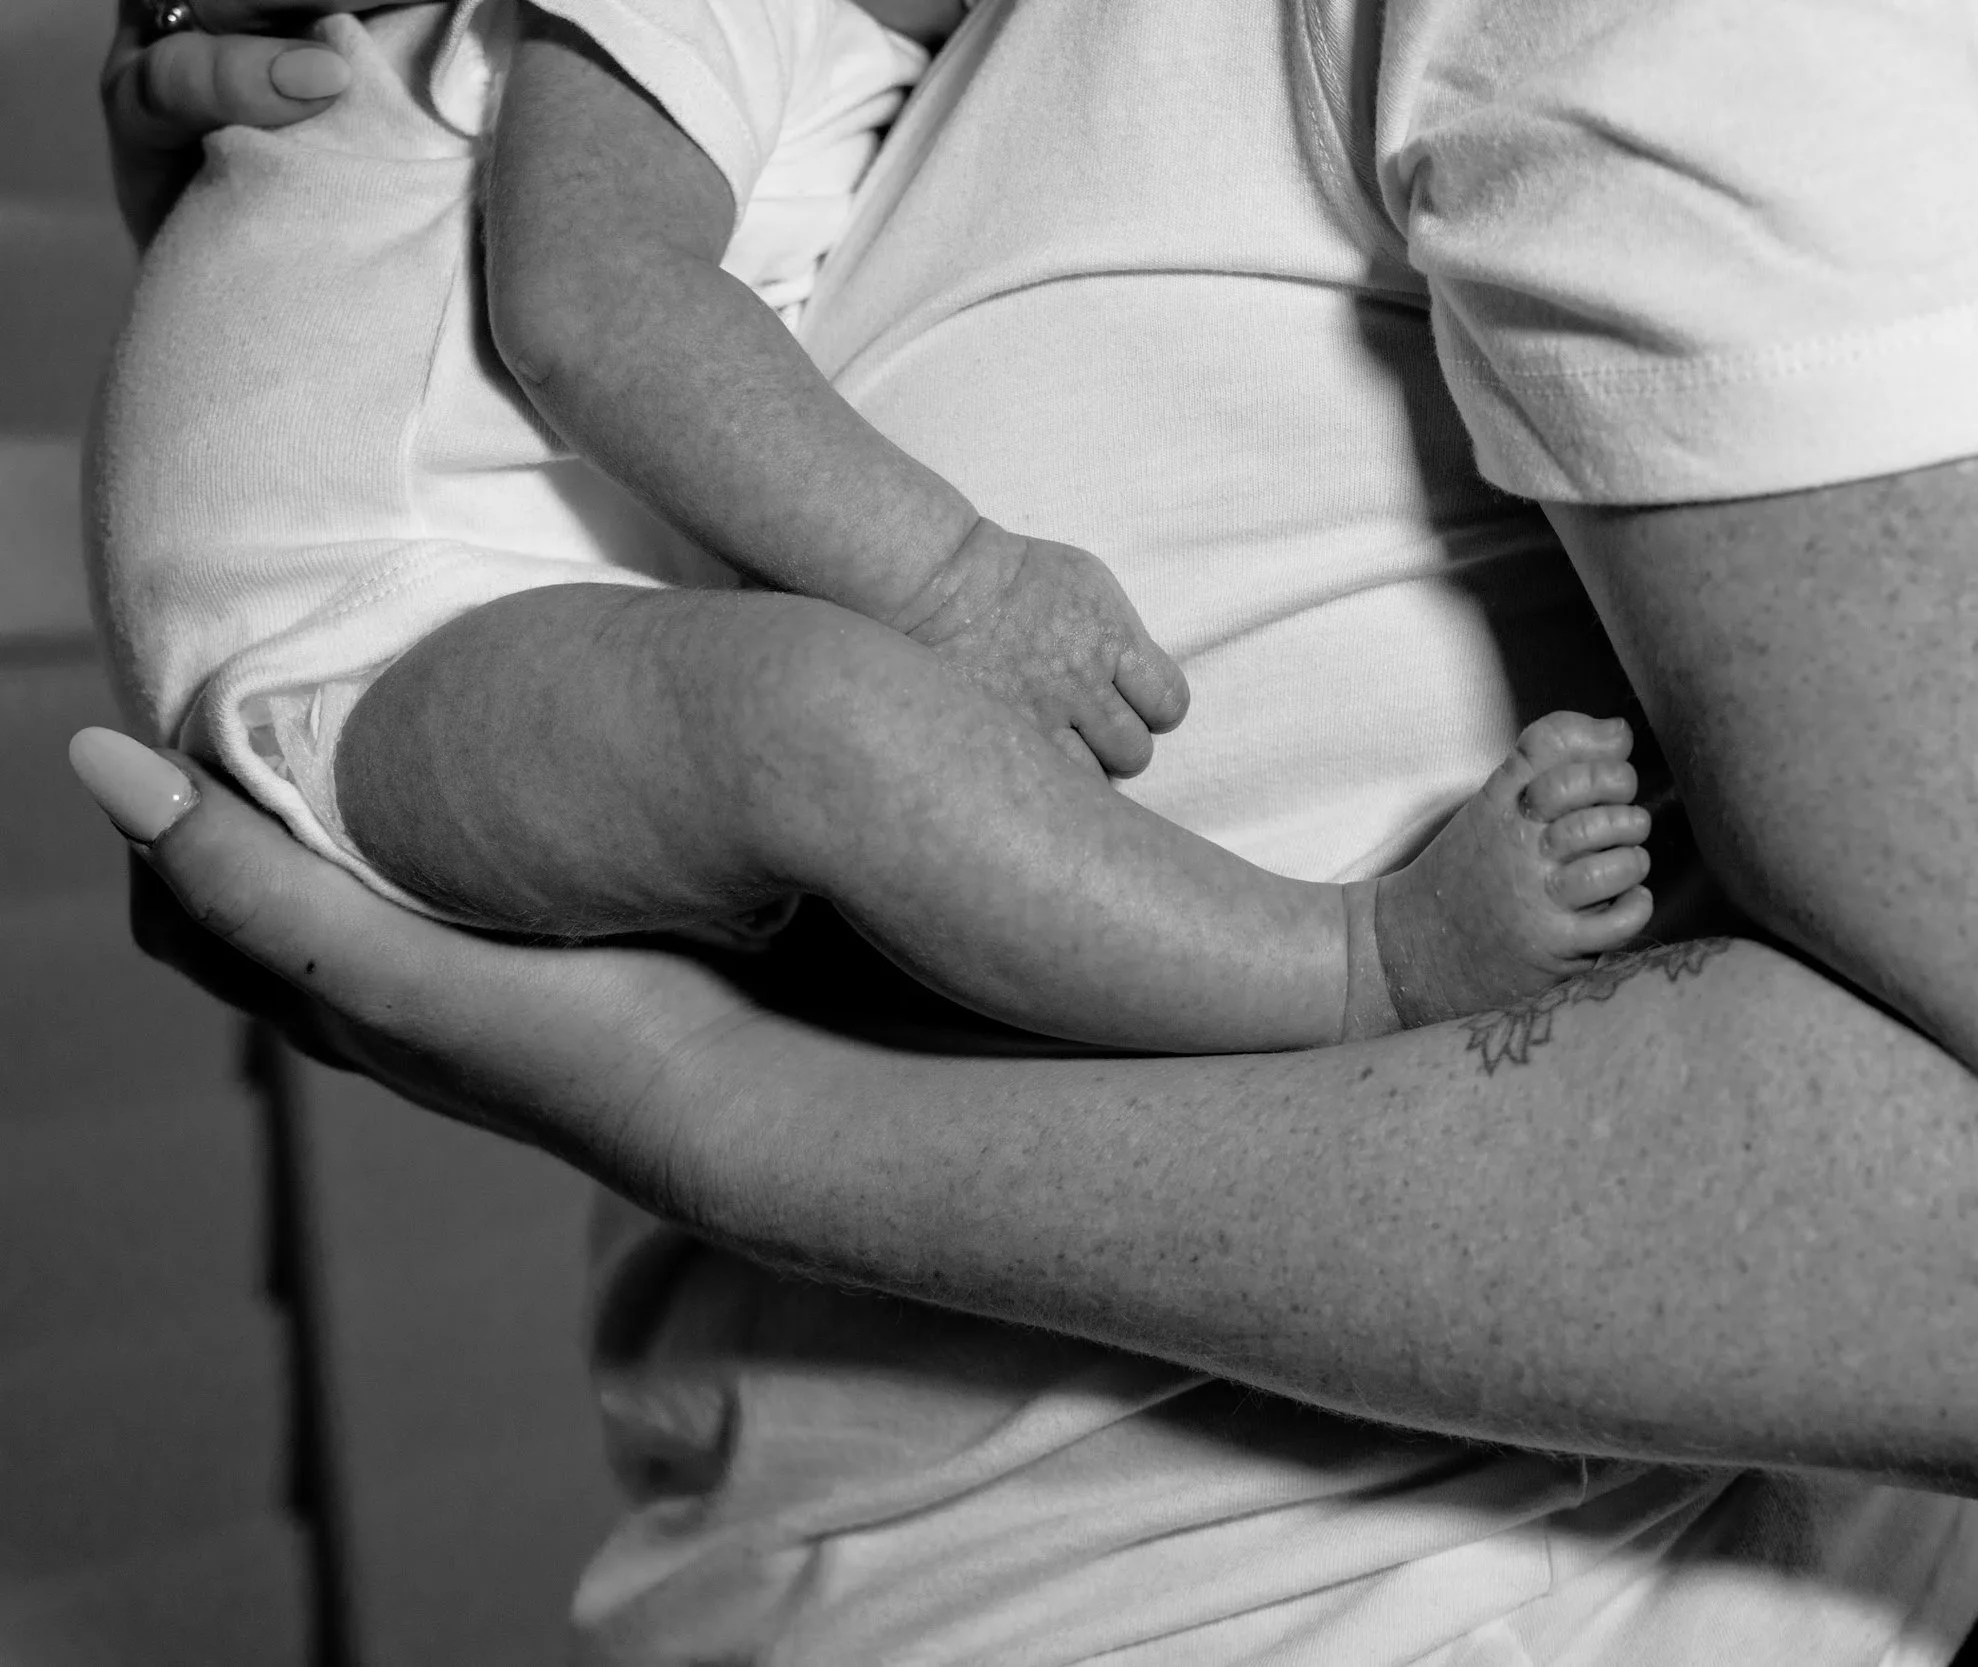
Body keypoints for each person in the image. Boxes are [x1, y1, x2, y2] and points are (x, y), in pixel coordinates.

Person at [84, 0, 1978, 1662]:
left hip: (1384, 1607)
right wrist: (322, 222)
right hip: (769, 1550)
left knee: (809, 723)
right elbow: (592, 335)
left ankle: (1336, 955)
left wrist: (730, 1111)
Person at [86, 0, 1657, 1054]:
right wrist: (952, 579)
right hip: (337, 621)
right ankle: (1355, 966)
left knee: (838, 788)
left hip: (446, 613)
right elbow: (587, 304)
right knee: (818, 721)